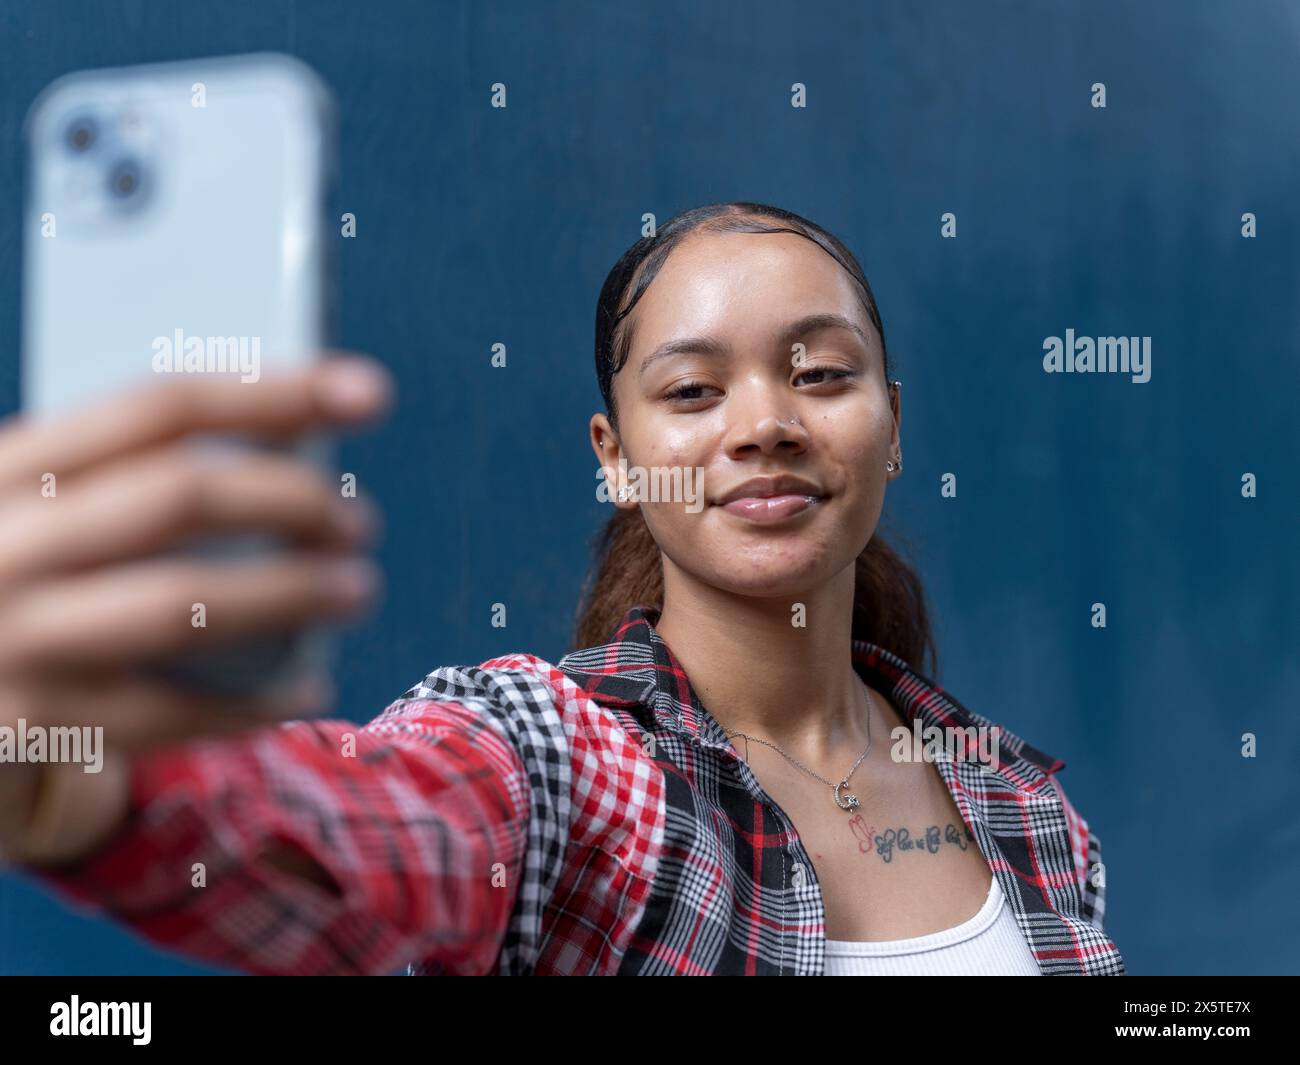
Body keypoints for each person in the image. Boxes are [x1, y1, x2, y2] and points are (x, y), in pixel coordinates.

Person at [0, 201, 1124, 975]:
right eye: (690, 391)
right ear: (616, 458)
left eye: (820, 374)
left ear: (892, 428)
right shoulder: (565, 763)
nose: (765, 425)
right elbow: (376, 826)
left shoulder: (1029, 812)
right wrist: (71, 780)